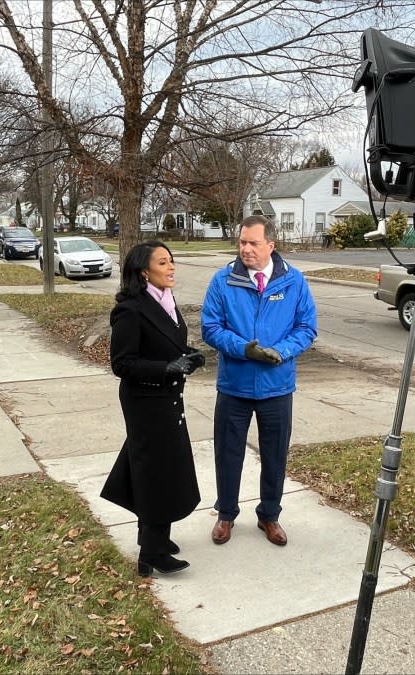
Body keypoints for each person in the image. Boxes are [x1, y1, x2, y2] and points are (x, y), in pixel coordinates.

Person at [201, 215, 318, 547]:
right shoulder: (223, 281)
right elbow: (210, 327)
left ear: (271, 244)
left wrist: (279, 351)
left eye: (253, 243)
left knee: (275, 455)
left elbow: (307, 327)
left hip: (277, 388)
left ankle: (269, 514)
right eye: (241, 242)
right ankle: (225, 515)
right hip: (234, 387)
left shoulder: (294, 282)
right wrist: (244, 349)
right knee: (228, 454)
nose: (245, 249)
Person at [101, 240, 205, 576]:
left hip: (167, 397)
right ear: (144, 270)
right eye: (163, 263)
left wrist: (187, 354)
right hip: (145, 401)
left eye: (171, 261)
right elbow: (123, 363)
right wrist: (166, 369)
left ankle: (152, 536)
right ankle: (152, 551)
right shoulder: (130, 309)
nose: (171, 267)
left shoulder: (165, 300)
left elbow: (163, 344)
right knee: (156, 470)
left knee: (149, 465)